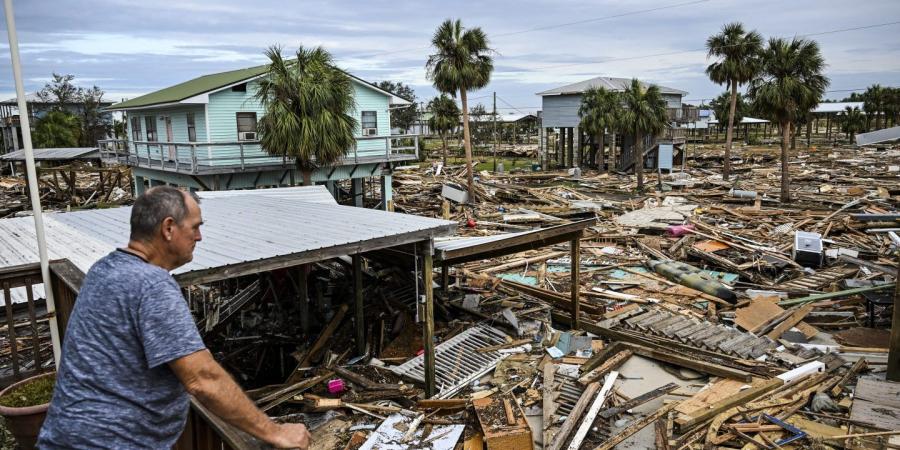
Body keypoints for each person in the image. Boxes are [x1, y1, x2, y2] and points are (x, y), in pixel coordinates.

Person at [38, 186, 310, 449]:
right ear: (168, 228)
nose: (199, 237)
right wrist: (275, 432)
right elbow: (202, 379)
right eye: (195, 227)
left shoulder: (104, 268)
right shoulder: (152, 285)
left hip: (66, 435)